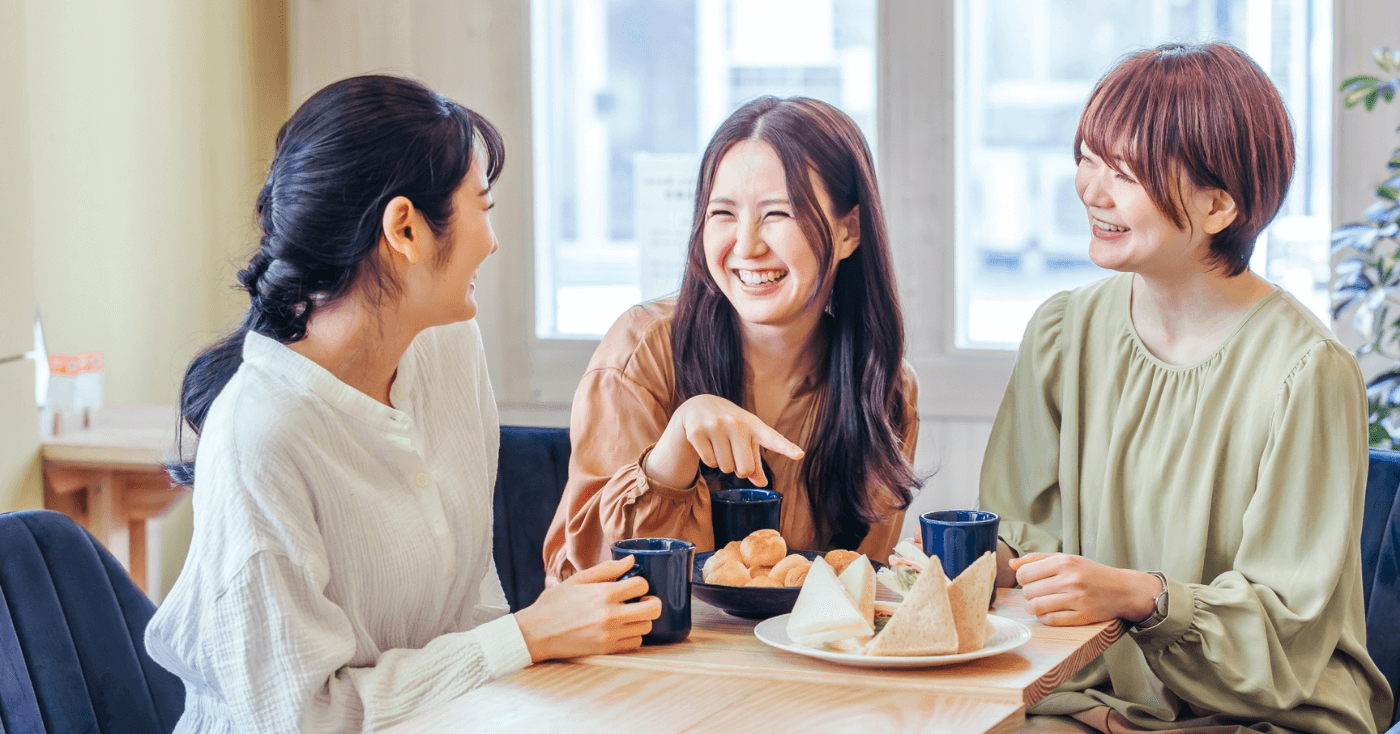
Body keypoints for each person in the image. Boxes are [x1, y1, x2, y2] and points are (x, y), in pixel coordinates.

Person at [145, 75, 661, 733]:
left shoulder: (449, 343)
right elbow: (299, 718)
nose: (493, 240)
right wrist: (526, 638)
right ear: (406, 228)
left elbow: (472, 604)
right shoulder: (261, 435)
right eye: (483, 205)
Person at [980, 43, 1393, 733]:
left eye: (1125, 172)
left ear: (1219, 204)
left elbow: (1282, 640)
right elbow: (1019, 535)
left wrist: (1140, 597)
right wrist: (980, 560)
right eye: (1087, 156)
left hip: (1269, 715)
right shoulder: (1063, 332)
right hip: (1092, 700)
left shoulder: (1307, 373)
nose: (1091, 190)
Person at [543, 96, 922, 582]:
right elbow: (583, 575)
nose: (746, 246)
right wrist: (675, 449)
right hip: (642, 655)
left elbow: (851, 588)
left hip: (791, 658)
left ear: (849, 231)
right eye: (723, 213)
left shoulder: (883, 388)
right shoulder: (643, 351)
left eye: (778, 214)